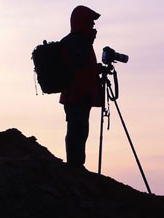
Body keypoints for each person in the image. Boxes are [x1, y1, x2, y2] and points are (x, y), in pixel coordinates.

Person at [60, 5, 104, 169]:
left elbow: (84, 68)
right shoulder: (78, 42)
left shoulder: (79, 42)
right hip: (76, 94)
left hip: (78, 94)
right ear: (82, 21)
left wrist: (97, 69)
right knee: (77, 129)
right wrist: (97, 69)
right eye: (91, 22)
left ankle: (76, 163)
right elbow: (79, 68)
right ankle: (75, 164)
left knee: (80, 129)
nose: (93, 25)